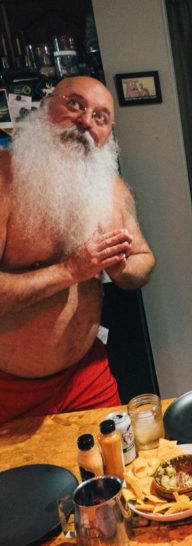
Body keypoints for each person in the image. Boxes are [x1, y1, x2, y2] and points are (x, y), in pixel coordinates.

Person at [0, 76, 156, 422]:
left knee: (116, 471)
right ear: (44, 107)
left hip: (88, 373)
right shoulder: (3, 179)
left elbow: (144, 261)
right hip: (8, 390)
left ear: (107, 136)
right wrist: (69, 271)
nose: (86, 121)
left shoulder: (111, 190)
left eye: (100, 117)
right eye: (74, 104)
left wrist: (120, 268)